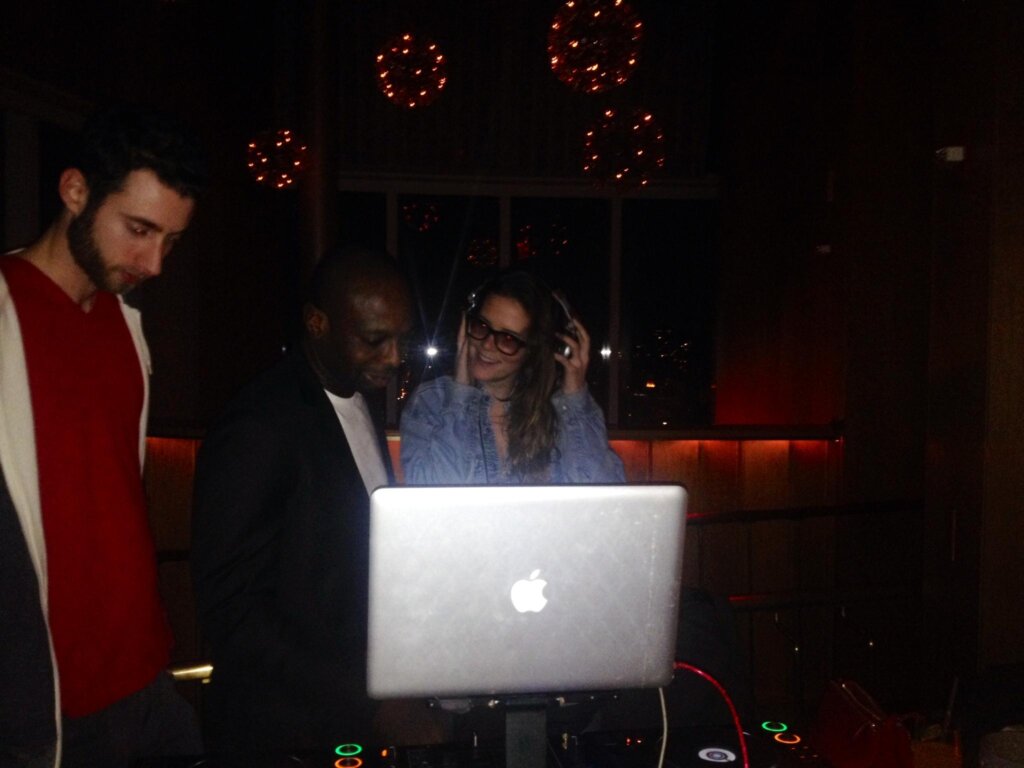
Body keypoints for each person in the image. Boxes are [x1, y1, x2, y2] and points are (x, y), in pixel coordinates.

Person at [0, 106, 207, 767]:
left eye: (170, 241)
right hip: (50, 709)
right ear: (75, 191)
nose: (154, 263)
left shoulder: (127, 327)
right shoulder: (6, 309)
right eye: (139, 230)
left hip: (150, 678)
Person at [191, 245, 432, 752]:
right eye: (374, 340)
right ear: (317, 323)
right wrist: (370, 698)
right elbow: (232, 616)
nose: (393, 358)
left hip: (346, 724)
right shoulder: (259, 426)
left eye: (400, 339)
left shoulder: (357, 396)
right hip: (282, 732)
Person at [400, 269, 625, 484]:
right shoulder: (431, 402)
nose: (487, 344)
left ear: (532, 351)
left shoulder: (559, 411)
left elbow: (603, 498)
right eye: (482, 326)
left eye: (507, 339)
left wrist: (575, 398)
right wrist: (461, 393)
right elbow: (435, 499)